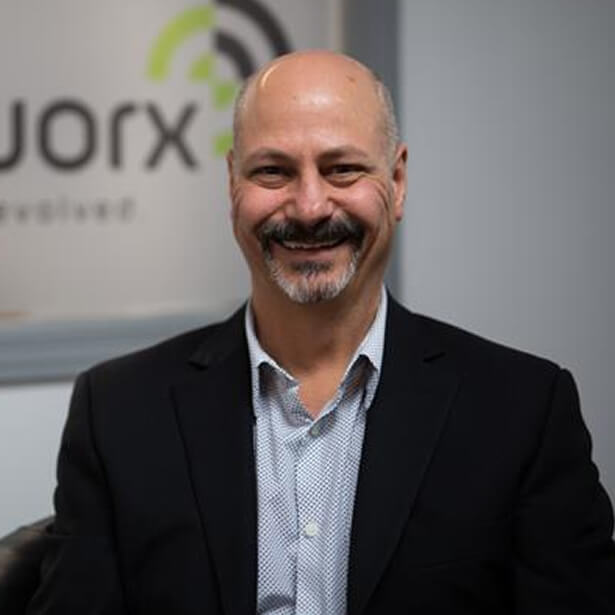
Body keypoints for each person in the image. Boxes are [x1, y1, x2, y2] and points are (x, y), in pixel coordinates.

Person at [28, 50, 615, 614]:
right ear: (232, 185)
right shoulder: (118, 412)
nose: (309, 207)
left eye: (342, 169)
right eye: (273, 171)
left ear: (397, 181)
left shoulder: (521, 412)